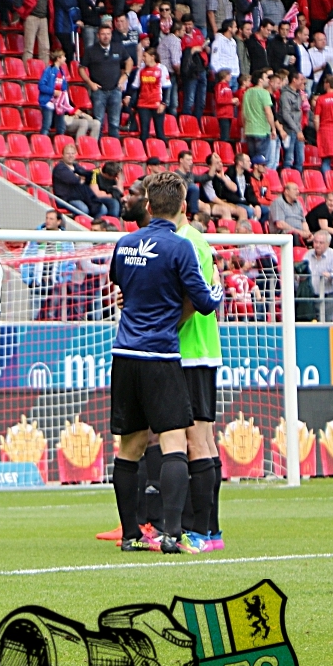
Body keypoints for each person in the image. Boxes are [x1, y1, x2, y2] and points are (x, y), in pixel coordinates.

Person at [107, 172, 221, 555]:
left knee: (131, 446)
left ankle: (129, 535)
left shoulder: (124, 244)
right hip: (161, 355)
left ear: (149, 206)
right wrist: (215, 289)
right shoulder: (180, 247)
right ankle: (172, 533)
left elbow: (122, 286)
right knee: (174, 442)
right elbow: (204, 302)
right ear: (183, 207)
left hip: (124, 355)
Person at [176, 213, 225, 553]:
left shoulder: (186, 243)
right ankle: (212, 530)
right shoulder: (199, 240)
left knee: (196, 441)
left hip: (190, 350)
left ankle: (200, 532)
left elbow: (195, 301)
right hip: (203, 351)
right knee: (204, 440)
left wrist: (162, 328)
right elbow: (213, 286)